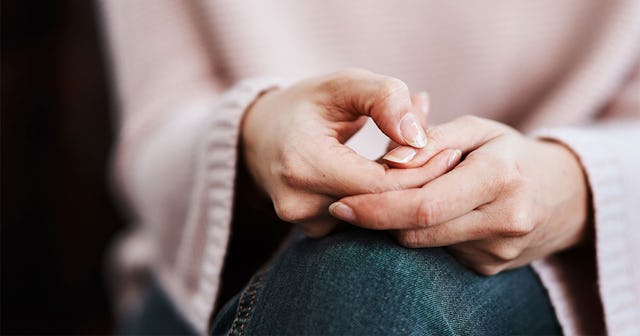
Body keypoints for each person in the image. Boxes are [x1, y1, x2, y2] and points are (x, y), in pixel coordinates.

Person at [100, 1, 640, 335]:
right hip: (216, 276)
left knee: (365, 276)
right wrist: (256, 131)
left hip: (582, 274)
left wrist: (574, 187)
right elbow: (158, 121)